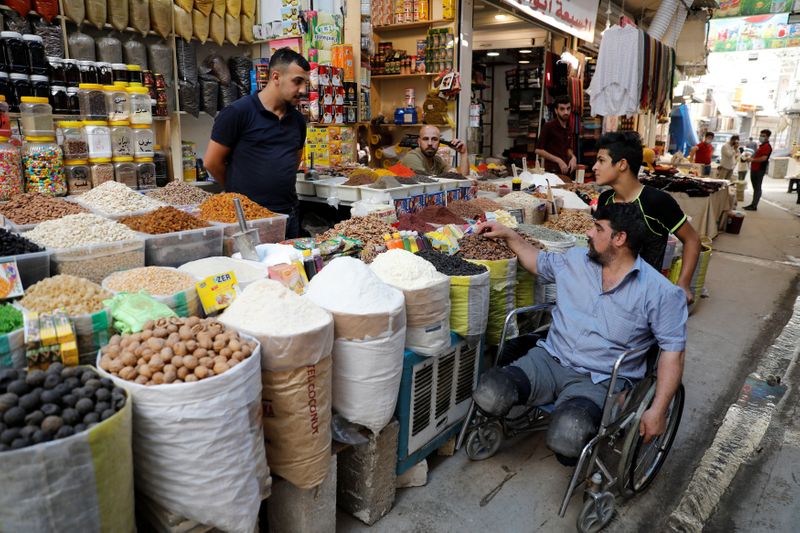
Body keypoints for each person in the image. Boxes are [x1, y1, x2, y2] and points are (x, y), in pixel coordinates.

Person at [472, 203, 687, 464]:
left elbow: (672, 353)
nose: (588, 232)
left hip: (600, 381)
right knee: (490, 392)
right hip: (550, 360)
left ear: (620, 238)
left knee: (568, 435)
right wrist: (509, 235)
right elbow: (536, 261)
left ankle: (576, 427)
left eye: (597, 228)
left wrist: (658, 410)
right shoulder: (574, 260)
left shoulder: (661, 293)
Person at [204, 47, 310, 238]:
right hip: (249, 218)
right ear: (276, 77)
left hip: (288, 215)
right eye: (298, 81)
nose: (303, 90)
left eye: (305, 83)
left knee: (290, 267)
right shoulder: (238, 113)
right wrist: (237, 192)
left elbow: (294, 161)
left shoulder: (298, 121)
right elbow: (212, 162)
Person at [594, 131, 701, 304]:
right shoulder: (605, 199)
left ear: (622, 164)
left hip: (643, 297)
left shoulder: (656, 201)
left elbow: (692, 239)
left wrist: (684, 283)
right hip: (606, 290)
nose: (594, 167)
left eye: (601, 161)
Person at [400, 125, 469, 176]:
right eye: (426, 139)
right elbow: (426, 182)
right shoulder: (412, 157)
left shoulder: (437, 160)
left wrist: (463, 153)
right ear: (419, 142)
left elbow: (462, 180)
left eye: (434, 139)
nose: (430, 143)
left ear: (439, 143)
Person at [535, 95, 576, 177]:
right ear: (556, 111)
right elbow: (538, 150)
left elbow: (567, 148)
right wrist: (558, 160)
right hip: (552, 172)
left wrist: (573, 157)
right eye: (562, 109)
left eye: (568, 108)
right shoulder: (548, 126)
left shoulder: (569, 127)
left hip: (566, 172)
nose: (566, 112)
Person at [743, 129, 772, 211]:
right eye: (761, 135)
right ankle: (753, 204)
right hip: (755, 168)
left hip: (759, 169)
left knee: (757, 187)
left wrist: (752, 160)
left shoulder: (767, 147)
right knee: (755, 187)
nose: (761, 137)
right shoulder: (761, 145)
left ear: (768, 137)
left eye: (763, 136)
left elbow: (764, 158)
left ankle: (754, 205)